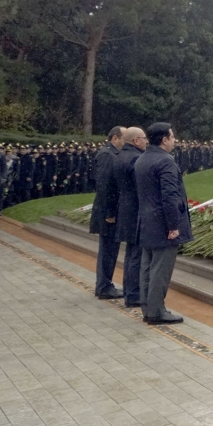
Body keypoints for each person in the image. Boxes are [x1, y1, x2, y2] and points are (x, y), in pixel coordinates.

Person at [135, 122, 193, 325]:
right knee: (160, 269)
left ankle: (148, 307)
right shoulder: (165, 162)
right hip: (162, 224)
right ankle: (156, 311)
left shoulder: (142, 158)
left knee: (147, 267)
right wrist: (173, 225)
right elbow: (170, 196)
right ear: (164, 139)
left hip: (146, 222)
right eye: (172, 136)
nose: (174, 140)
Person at [113, 127, 148, 308]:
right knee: (136, 254)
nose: (146, 142)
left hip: (125, 208)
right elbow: (140, 186)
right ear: (136, 141)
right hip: (135, 210)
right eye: (144, 139)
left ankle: (129, 290)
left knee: (130, 254)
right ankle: (133, 294)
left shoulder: (119, 155)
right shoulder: (136, 158)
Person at [90, 126, 125, 299]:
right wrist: (109, 213)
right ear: (114, 138)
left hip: (111, 211)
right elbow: (105, 186)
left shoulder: (114, 154)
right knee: (108, 249)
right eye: (123, 138)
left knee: (111, 249)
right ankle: (104, 286)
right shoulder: (107, 155)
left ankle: (106, 283)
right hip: (108, 213)